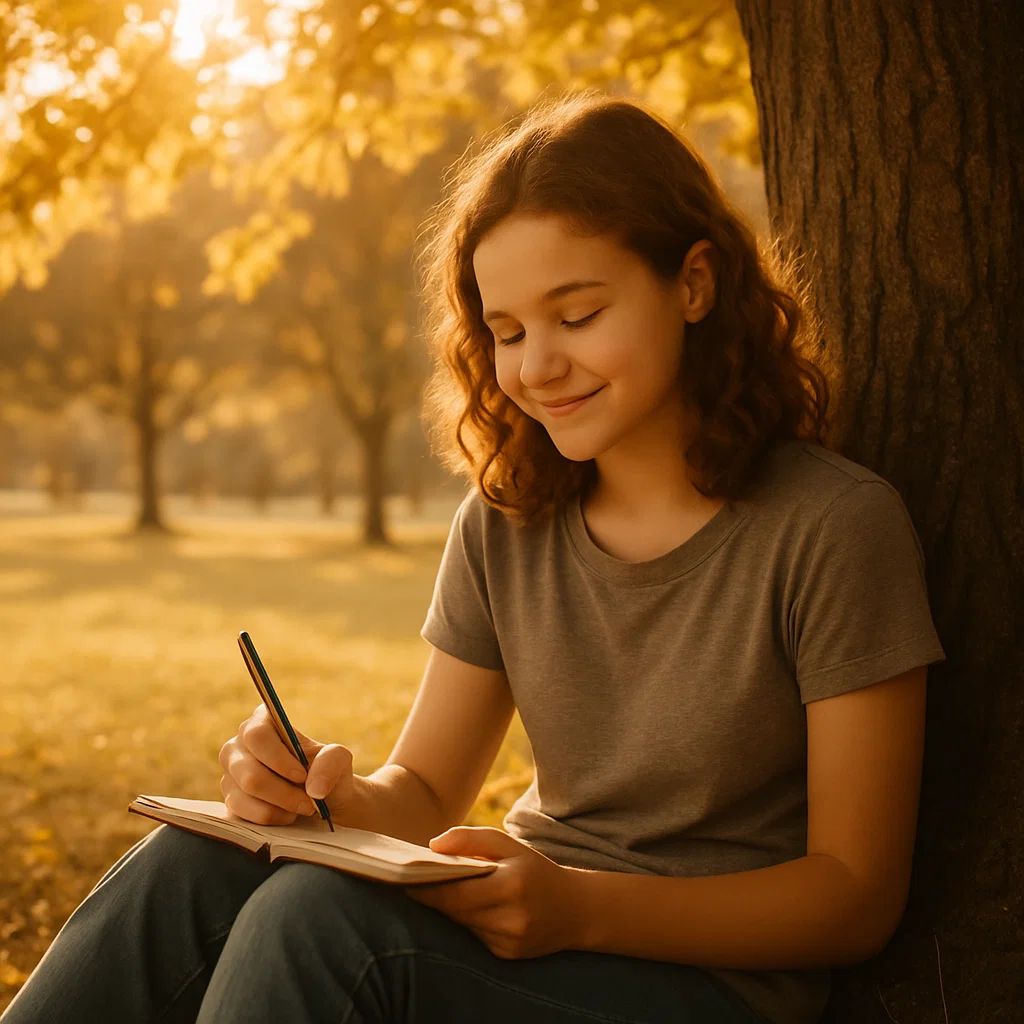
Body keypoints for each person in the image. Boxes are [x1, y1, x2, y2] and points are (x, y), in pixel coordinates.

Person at [1, 89, 945, 1024]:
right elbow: (420, 793)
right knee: (203, 860)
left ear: (694, 284)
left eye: (577, 317)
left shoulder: (833, 527)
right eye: (508, 332)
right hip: (526, 929)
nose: (537, 366)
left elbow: (855, 897)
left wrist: (582, 909)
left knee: (321, 926)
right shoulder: (509, 524)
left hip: (705, 981)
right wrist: (310, 796)